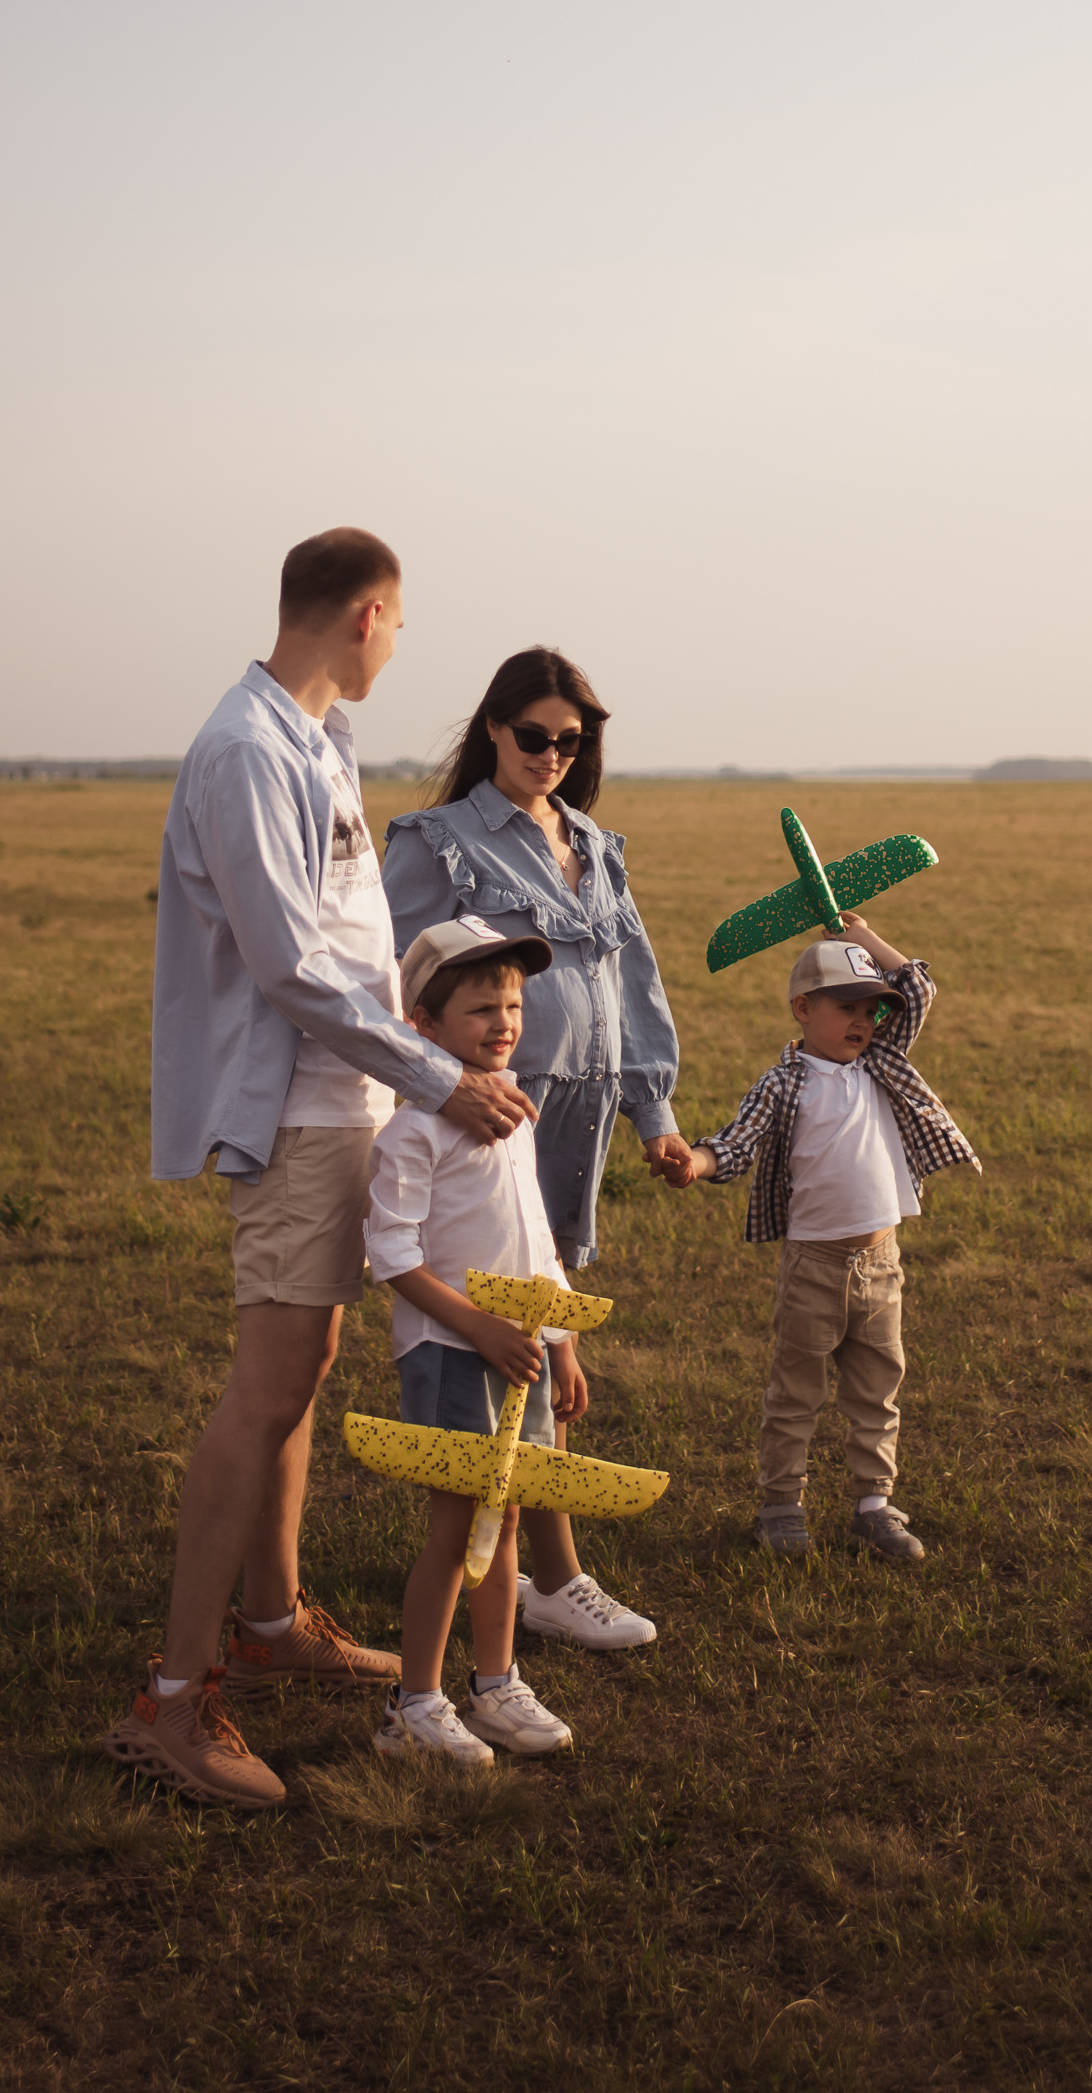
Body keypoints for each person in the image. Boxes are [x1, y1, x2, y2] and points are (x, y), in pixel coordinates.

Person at [104, 529, 539, 1811]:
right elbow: (292, 966)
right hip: (295, 1109)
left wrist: (410, 1067)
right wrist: (438, 1078)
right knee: (266, 1385)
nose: (401, 646)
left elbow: (344, 954)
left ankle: (272, 1618)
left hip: (346, 1097)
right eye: (398, 624)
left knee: (308, 1369)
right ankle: (172, 1704)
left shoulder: (316, 742)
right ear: (363, 613)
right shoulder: (245, 749)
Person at [382, 648, 686, 1652]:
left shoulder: (594, 846)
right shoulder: (437, 843)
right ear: (492, 731)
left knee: (550, 1340)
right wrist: (435, 1089)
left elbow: (632, 982)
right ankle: (549, 1576)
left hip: (578, 1124)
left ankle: (543, 1574)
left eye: (571, 739)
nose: (550, 754)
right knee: (506, 1335)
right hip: (484, 1124)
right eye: (531, 735)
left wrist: (655, 1115)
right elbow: (381, 990)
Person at [659, 912, 980, 1563]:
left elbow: (917, 989)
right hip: (815, 1265)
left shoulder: (880, 1064)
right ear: (804, 1009)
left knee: (877, 1387)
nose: (865, 1020)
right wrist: (695, 1162)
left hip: (881, 1262)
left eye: (872, 1010)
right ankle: (781, 1506)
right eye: (848, 1006)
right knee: (796, 1393)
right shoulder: (785, 1083)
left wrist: (859, 935)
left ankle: (873, 1505)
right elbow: (737, 1140)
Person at [363, 918, 583, 1766]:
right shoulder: (416, 1127)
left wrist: (558, 1338)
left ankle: (496, 1685)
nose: (504, 1022)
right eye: (480, 1008)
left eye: (514, 1004)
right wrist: (478, 1328)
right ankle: (413, 1703)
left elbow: (536, 1242)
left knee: (511, 1517)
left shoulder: (514, 1110)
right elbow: (393, 1257)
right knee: (456, 1529)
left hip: (519, 1355)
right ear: (422, 1025)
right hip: (453, 1354)